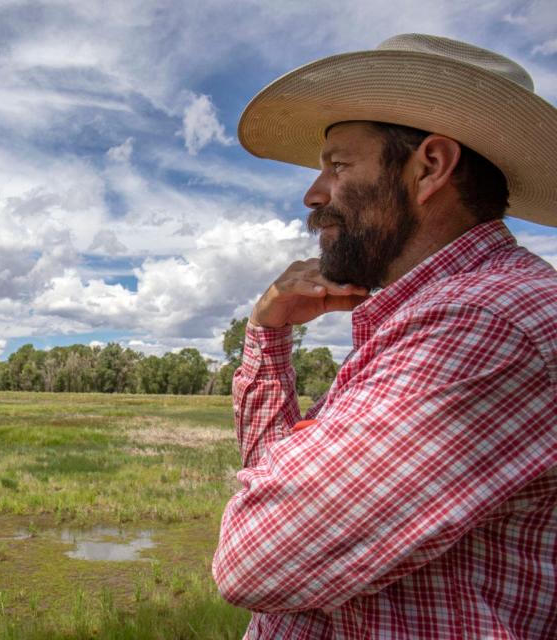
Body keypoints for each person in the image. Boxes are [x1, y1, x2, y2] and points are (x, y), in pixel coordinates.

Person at [212, 34, 557, 639]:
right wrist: (268, 335)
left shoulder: (482, 323)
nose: (313, 195)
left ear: (429, 167)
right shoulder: (433, 317)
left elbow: (257, 559)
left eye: (338, 165)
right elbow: (275, 489)